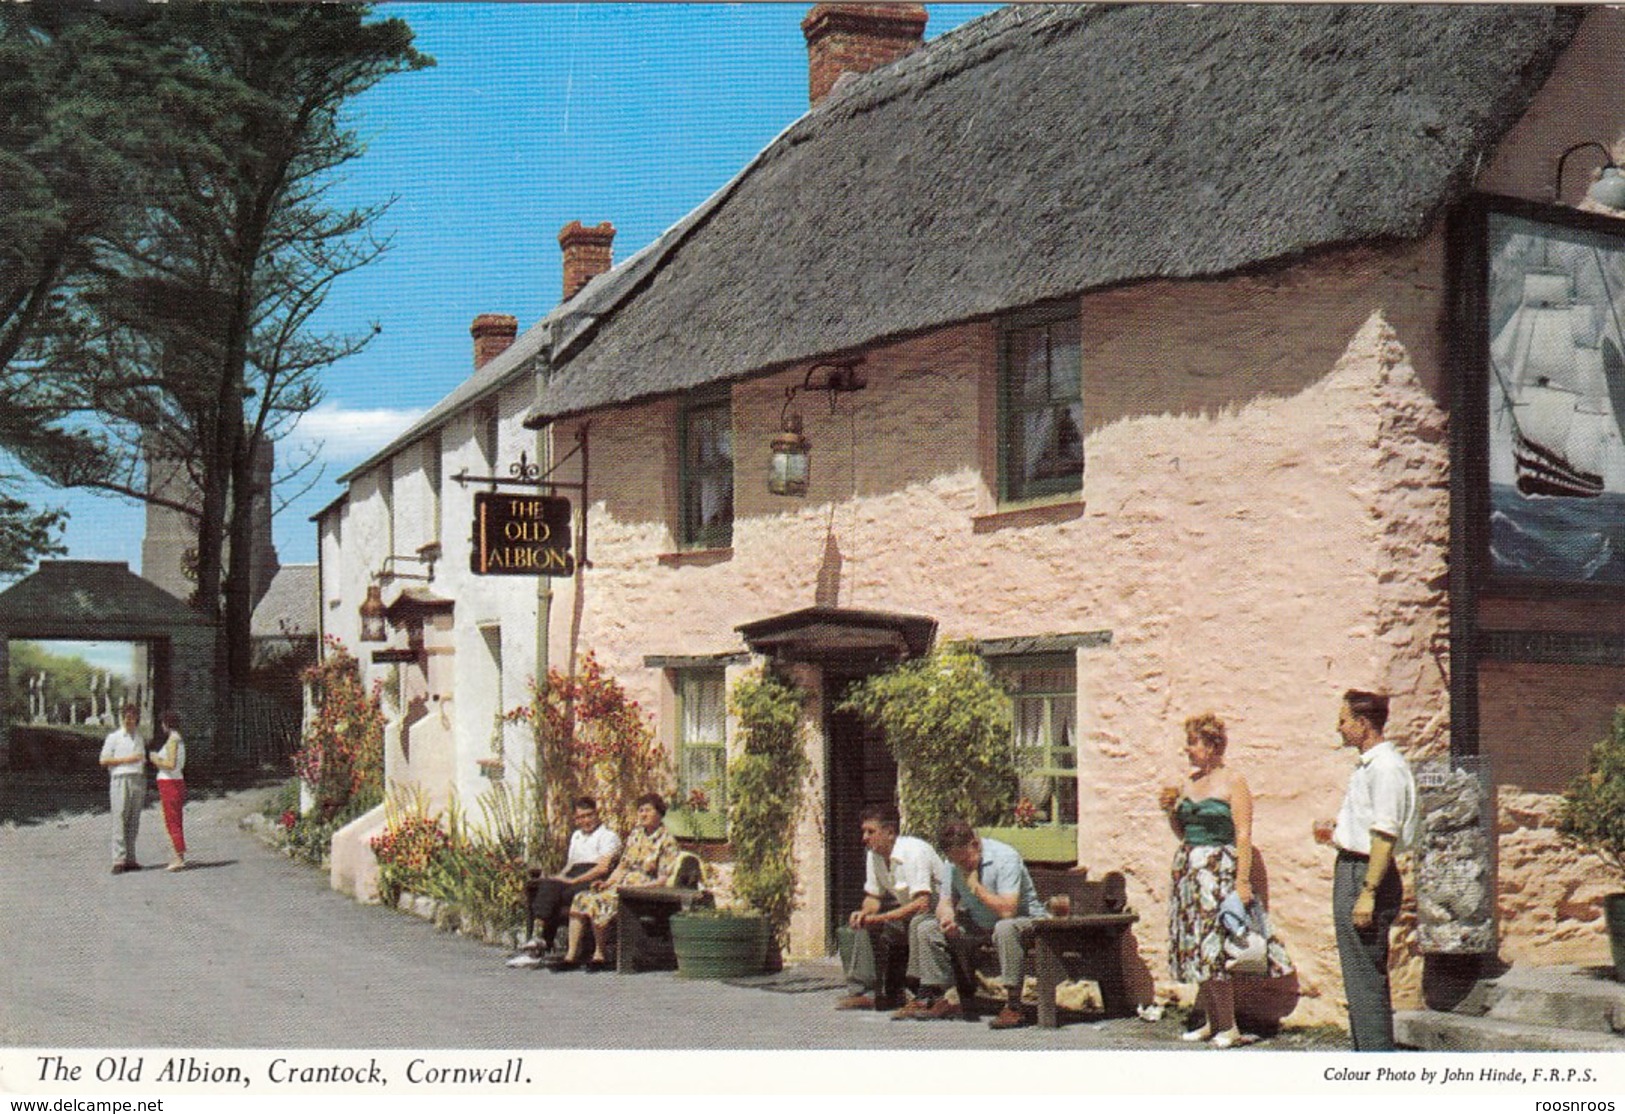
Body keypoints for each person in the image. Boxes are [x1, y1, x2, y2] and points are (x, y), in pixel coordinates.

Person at [1159, 712, 1293, 1048]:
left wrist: (1242, 883)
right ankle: (1210, 1020)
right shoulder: (1189, 783)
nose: (1188, 750)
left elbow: (1244, 834)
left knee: (1215, 948)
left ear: (1212, 744)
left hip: (1218, 873)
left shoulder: (1234, 782)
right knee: (1198, 947)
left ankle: (1229, 1027)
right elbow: (1182, 832)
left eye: (1193, 743)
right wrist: (1170, 811)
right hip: (1190, 874)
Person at [1313, 689, 1418, 1051]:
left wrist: (1368, 894)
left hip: (1367, 874)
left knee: (1365, 978)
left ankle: (1377, 1064)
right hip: (1354, 867)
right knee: (1359, 976)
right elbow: (1369, 826)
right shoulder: (1369, 765)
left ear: (1363, 723)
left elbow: (1385, 835)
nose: (1338, 728)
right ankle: (1367, 1055)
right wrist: (1338, 830)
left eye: (1343, 720)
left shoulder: (1386, 768)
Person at [913, 817, 1047, 1029]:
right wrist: (947, 917)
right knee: (927, 927)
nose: (962, 866)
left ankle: (1013, 1006)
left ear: (975, 844)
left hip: (1026, 923)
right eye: (957, 862)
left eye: (965, 860)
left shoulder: (1005, 857)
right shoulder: (952, 863)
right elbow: (945, 902)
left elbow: (1008, 910)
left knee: (1005, 928)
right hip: (980, 923)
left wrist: (976, 887)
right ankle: (939, 998)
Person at [833, 803, 946, 1015]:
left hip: (939, 914)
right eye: (864, 832)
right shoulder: (874, 855)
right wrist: (865, 914)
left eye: (871, 832)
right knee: (864, 924)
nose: (865, 837)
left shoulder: (914, 852)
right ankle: (864, 992)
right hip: (911, 913)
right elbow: (874, 897)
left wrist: (881, 918)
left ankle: (921, 993)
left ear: (890, 832)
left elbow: (922, 903)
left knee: (913, 923)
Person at [556, 793, 676, 972]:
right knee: (582, 897)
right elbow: (622, 866)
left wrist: (633, 887)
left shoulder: (667, 840)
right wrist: (608, 883)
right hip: (622, 885)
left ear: (659, 813)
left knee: (600, 901)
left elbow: (663, 879)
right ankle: (571, 956)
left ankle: (600, 954)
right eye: (640, 810)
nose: (642, 814)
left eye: (647, 811)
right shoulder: (636, 835)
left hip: (643, 892)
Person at [506, 796, 621, 968]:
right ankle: (537, 941)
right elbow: (571, 864)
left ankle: (541, 947)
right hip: (575, 872)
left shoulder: (608, 836)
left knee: (562, 894)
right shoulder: (576, 836)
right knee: (548, 885)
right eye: (581, 817)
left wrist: (574, 880)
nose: (585, 821)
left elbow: (603, 868)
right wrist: (560, 877)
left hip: (593, 875)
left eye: (589, 815)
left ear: (597, 814)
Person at [99, 704, 146, 874]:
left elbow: (140, 758)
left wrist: (137, 764)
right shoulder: (114, 737)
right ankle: (118, 859)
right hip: (120, 778)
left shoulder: (138, 737)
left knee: (134, 819)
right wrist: (127, 760)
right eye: (127, 717)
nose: (129, 720)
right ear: (122, 717)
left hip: (137, 778)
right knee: (120, 817)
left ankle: (131, 858)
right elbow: (104, 760)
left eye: (133, 717)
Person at [148, 709, 187, 871]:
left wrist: (155, 759)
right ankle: (178, 852)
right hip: (175, 781)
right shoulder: (178, 739)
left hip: (170, 782)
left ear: (166, 724)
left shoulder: (172, 741)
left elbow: (170, 764)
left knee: (172, 820)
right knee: (174, 819)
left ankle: (179, 856)